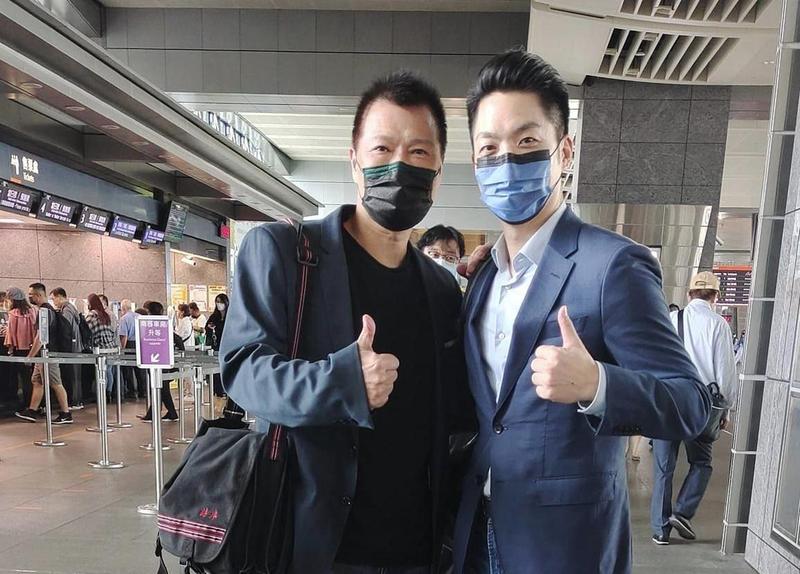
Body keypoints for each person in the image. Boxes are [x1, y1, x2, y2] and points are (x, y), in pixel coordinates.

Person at [453, 49, 710, 574]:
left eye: (527, 142)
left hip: (566, 547)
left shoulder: (613, 265)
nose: (506, 161)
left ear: (564, 151)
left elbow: (690, 403)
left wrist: (598, 384)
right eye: (489, 148)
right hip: (477, 534)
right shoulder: (483, 277)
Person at [221, 71, 474, 574]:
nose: (399, 165)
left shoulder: (441, 288)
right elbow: (243, 370)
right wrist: (341, 382)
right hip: (313, 544)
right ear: (354, 161)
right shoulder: (286, 253)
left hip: (415, 547)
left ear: (439, 171)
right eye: (382, 149)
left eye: (419, 152)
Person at [650, 271, 738, 545]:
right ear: (715, 296)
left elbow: (655, 360)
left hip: (668, 400)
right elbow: (725, 373)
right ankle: (683, 511)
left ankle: (660, 530)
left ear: (689, 294)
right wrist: (726, 409)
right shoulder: (718, 325)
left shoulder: (670, 319)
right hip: (701, 404)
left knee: (664, 468)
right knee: (701, 463)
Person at [15, 283, 73, 424]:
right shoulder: (47, 310)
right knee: (37, 381)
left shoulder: (44, 312)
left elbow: (40, 337)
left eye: (31, 294)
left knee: (56, 383)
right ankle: (32, 410)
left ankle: (66, 414)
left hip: (48, 354)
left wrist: (30, 356)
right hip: (43, 355)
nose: (29, 297)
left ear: (39, 295)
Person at [140, 300, 179, 422]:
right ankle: (170, 413)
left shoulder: (151, 325)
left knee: (161, 387)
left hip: (155, 360)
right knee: (163, 388)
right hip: (163, 360)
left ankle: (154, 414)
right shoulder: (164, 324)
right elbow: (177, 339)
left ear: (149, 311)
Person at [50, 288, 84, 410]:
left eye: (53, 299)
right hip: (76, 346)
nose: (53, 302)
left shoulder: (67, 309)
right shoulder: (70, 308)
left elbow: (66, 329)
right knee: (75, 375)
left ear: (60, 297)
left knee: (72, 376)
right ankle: (77, 401)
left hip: (71, 347)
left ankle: (74, 401)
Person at [4, 287, 36, 410]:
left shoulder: (13, 314)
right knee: (30, 377)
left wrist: (10, 349)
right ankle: (31, 402)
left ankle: (20, 402)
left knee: (19, 377)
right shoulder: (32, 311)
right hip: (32, 348)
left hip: (19, 349)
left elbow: (11, 334)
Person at [118, 299, 145, 398]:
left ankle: (131, 391)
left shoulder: (124, 319)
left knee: (128, 369)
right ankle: (143, 391)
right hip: (141, 344)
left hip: (130, 344)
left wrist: (122, 349)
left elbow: (124, 336)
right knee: (140, 369)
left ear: (123, 308)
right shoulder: (140, 317)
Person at [205, 293, 228, 397]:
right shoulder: (214, 316)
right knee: (216, 370)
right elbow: (207, 328)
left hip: (227, 347)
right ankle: (218, 390)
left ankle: (225, 389)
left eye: (221, 302)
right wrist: (210, 329)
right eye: (217, 302)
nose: (219, 304)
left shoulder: (230, 316)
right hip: (216, 346)